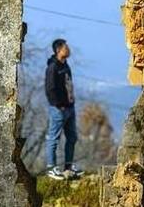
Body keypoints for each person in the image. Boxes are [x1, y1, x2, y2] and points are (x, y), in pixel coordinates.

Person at [44, 38, 84, 180]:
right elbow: (50, 89)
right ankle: (51, 168)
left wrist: (70, 103)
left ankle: (68, 165)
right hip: (58, 109)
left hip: (69, 108)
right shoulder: (53, 67)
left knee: (72, 137)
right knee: (53, 138)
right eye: (65, 47)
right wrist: (58, 105)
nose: (68, 49)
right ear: (58, 50)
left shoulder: (65, 65)